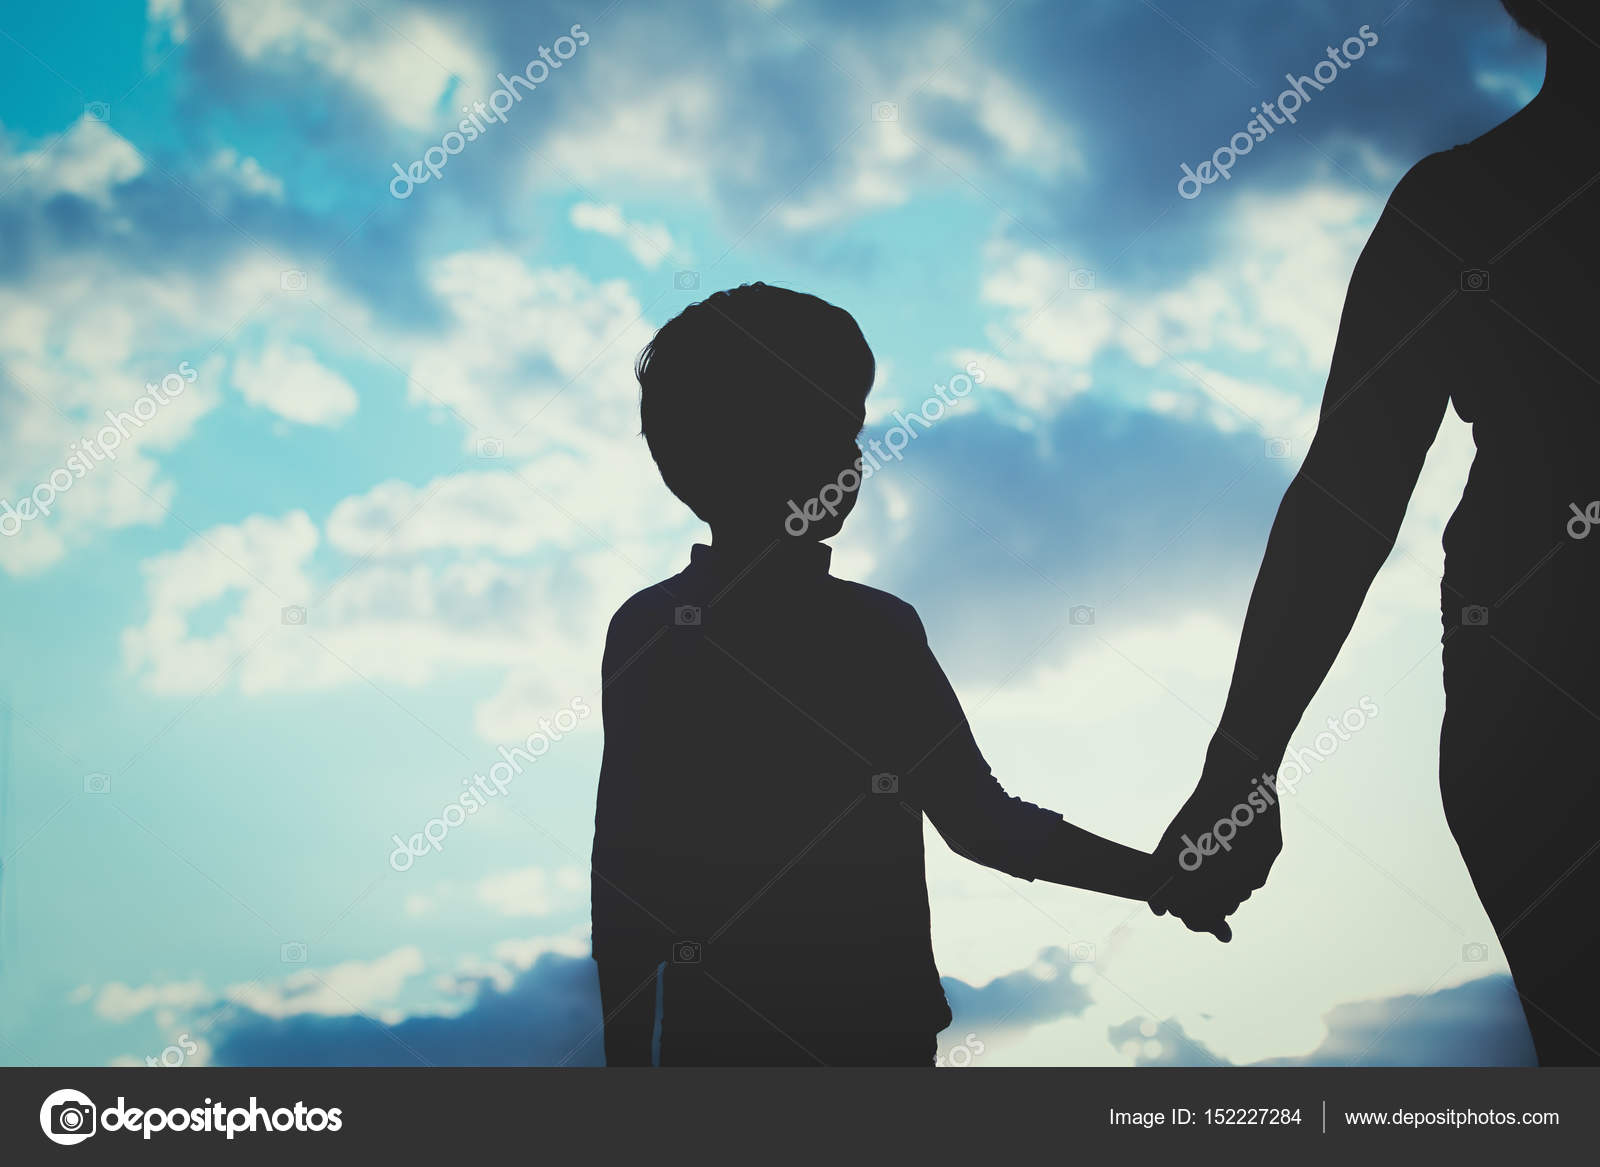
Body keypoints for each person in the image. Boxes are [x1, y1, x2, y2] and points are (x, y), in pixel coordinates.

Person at [1152, 0, 1600, 1064]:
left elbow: (1346, 495)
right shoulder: (1457, 207)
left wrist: (1243, 766)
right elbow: (1345, 498)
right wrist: (1240, 764)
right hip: (1538, 708)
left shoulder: (1460, 204)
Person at [591, 283, 1161, 1066]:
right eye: (832, 429)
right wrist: (1166, 880)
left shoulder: (652, 627)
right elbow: (981, 822)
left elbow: (626, 884)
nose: (855, 454)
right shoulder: (873, 632)